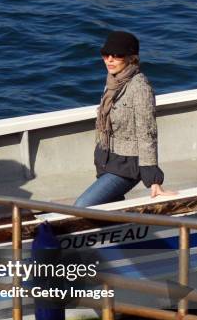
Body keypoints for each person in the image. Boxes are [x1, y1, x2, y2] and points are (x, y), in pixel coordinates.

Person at [75, 31, 175, 207]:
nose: (110, 60)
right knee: (107, 206)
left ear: (131, 58)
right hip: (107, 160)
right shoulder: (113, 81)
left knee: (83, 205)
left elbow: (147, 133)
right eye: (106, 54)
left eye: (117, 55)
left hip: (127, 166)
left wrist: (153, 179)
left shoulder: (140, 87)